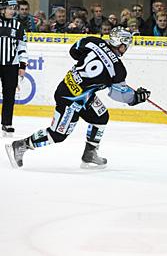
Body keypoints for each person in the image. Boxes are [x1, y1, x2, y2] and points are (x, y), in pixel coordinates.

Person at [5, 27, 151, 169]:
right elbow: (121, 95)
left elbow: (74, 50)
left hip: (77, 92)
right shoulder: (118, 69)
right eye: (125, 45)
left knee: (101, 117)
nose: (126, 49)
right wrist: (137, 98)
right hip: (70, 99)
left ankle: (90, 154)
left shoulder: (94, 41)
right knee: (57, 135)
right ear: (119, 44)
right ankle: (21, 145)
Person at [0, 0, 28, 136]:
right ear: (2, 10)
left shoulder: (18, 26)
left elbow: (22, 47)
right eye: (9, 8)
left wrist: (22, 65)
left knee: (9, 95)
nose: (12, 11)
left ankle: (7, 123)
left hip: (11, 65)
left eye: (13, 8)